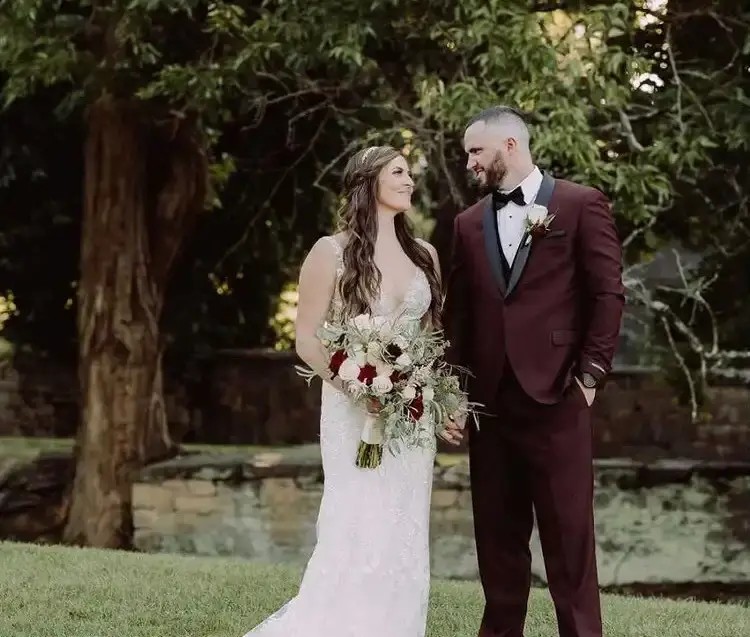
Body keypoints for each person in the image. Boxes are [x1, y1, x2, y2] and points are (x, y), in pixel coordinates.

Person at [240, 145, 456, 637]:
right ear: (368, 182)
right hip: (351, 408)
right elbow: (307, 338)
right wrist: (357, 385)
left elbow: (431, 341)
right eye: (398, 172)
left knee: (403, 523)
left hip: (410, 412)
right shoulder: (330, 252)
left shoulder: (426, 256)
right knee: (356, 515)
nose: (408, 181)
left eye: (408, 173)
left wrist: (440, 401)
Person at [442, 106, 625, 637]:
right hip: (490, 406)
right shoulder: (467, 223)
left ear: (510, 147)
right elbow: (459, 313)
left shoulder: (580, 204)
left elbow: (608, 294)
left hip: (558, 398)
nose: (470, 161)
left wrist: (590, 376)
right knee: (497, 542)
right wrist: (455, 388)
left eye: (477, 151)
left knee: (569, 542)